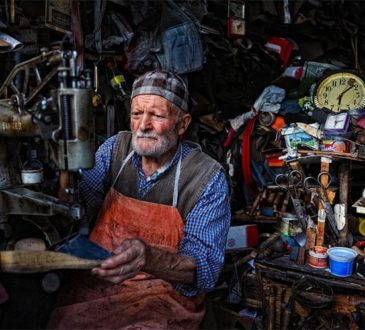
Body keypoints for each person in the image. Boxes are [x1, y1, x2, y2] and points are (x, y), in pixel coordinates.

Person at [48, 70, 231, 329]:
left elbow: (204, 270)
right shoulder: (114, 150)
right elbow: (79, 200)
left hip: (163, 295)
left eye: (156, 115)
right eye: (137, 114)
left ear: (182, 124)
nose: (143, 125)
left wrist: (148, 258)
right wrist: (63, 174)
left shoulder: (205, 177)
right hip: (99, 282)